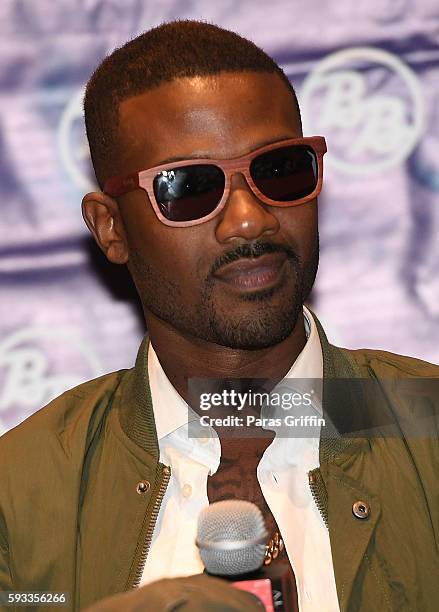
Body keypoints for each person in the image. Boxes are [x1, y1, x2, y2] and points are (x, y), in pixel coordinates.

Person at [0, 19, 438, 612]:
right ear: (111, 227)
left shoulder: (426, 422)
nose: (249, 220)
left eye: (281, 168)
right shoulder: (21, 488)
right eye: (189, 186)